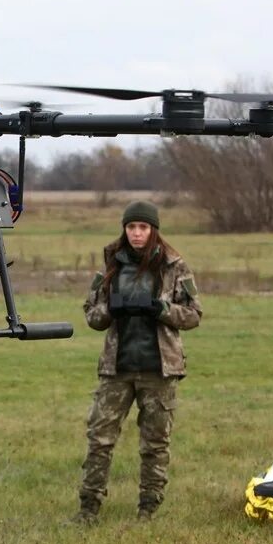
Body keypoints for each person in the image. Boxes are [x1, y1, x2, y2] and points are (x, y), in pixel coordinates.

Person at [74, 199, 202, 524]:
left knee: (155, 443)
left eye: (143, 227)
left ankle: (148, 510)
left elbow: (193, 314)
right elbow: (91, 314)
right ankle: (88, 509)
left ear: (153, 230)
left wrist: (160, 310)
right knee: (99, 439)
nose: (136, 233)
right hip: (117, 369)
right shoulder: (110, 266)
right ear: (125, 229)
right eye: (131, 227)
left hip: (160, 370)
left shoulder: (175, 266)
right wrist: (111, 309)